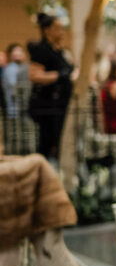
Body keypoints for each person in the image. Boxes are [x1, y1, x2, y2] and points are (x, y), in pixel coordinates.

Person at [27, 13, 76, 160]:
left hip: (61, 105)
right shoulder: (42, 50)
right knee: (47, 145)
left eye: (63, 28)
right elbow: (34, 76)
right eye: (58, 28)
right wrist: (59, 75)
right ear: (47, 30)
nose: (62, 31)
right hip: (48, 107)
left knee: (59, 144)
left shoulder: (59, 51)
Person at [3, 43, 30, 118]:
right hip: (16, 110)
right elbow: (14, 88)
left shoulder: (22, 67)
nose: (18, 53)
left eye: (20, 51)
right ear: (10, 54)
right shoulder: (11, 68)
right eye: (15, 51)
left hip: (21, 110)